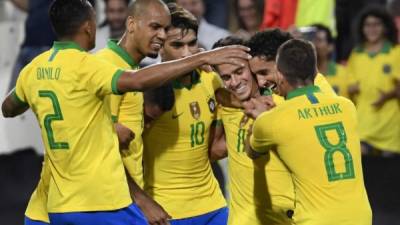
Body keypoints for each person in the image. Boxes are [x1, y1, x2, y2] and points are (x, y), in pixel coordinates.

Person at [1, 0, 251, 224]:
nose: (162, 35)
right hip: (98, 204)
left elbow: (9, 107)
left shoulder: (40, 69)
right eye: (155, 27)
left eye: (166, 29)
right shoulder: (101, 69)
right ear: (131, 24)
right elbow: (109, 147)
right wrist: (143, 201)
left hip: (67, 202)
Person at [245, 38, 372, 225]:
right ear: (314, 71)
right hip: (360, 217)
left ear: (279, 75)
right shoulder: (347, 107)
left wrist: (257, 123)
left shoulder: (272, 121)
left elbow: (252, 151)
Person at [142, 4, 230, 225]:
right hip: (166, 209)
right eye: (177, 45)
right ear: (160, 47)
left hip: (213, 205)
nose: (187, 53)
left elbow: (214, 149)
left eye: (192, 44)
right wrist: (143, 203)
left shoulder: (211, 80)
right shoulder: (148, 88)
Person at [211, 36, 293, 225]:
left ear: (253, 68)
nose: (235, 81)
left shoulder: (281, 104)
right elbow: (215, 151)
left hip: (285, 218)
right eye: (226, 77)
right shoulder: (226, 107)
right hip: (242, 220)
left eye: (239, 71)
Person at [347, 5, 400, 155]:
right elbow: (349, 87)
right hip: (364, 125)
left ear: (385, 27)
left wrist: (388, 95)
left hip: (390, 128)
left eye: (376, 24)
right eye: (368, 25)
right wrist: (352, 88)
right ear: (362, 28)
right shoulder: (356, 54)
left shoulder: (396, 52)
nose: (372, 29)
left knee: (390, 175)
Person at [312, 24, 349, 98]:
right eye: (311, 40)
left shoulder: (343, 72)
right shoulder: (301, 76)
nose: (314, 44)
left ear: (330, 47)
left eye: (319, 40)